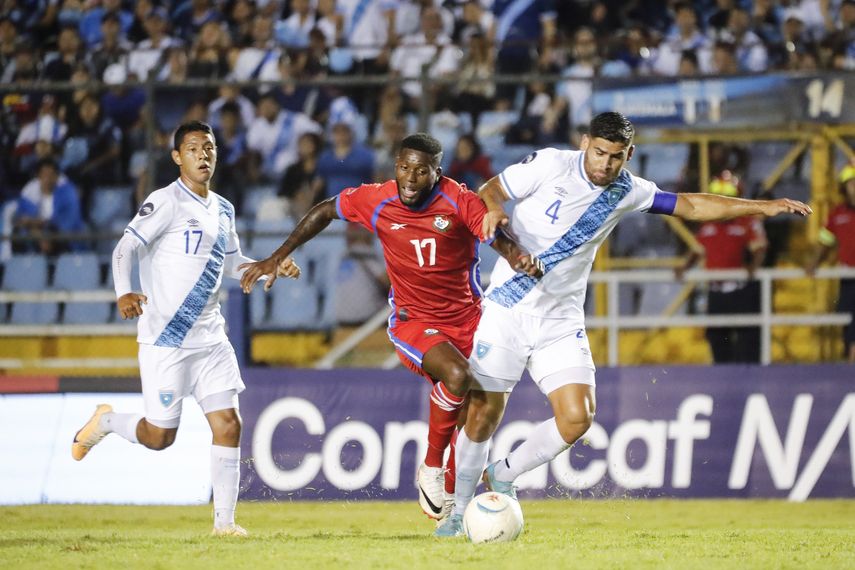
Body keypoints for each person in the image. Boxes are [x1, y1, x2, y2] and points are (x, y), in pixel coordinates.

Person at [436, 111, 812, 537]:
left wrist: (764, 206)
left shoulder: (626, 190)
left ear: (629, 155)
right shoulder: (548, 164)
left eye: (616, 157)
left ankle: (504, 474)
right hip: (508, 309)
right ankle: (457, 512)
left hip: (560, 320)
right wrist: (495, 211)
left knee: (578, 417)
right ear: (585, 144)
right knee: (483, 414)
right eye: (599, 152)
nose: (605, 165)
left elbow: (688, 204)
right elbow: (490, 189)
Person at [239, 133, 543, 523]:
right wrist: (277, 256)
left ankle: (453, 504)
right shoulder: (377, 198)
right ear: (395, 166)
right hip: (414, 323)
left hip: (470, 321)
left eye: (421, 170)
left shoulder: (457, 200)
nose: (411, 178)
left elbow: (490, 230)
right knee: (456, 375)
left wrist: (516, 255)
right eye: (404, 168)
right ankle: (432, 469)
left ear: (437, 172)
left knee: (477, 412)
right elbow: (325, 211)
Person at [70, 121, 300, 537]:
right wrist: (125, 292)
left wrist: (270, 267)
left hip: (211, 337)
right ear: (177, 157)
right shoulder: (165, 202)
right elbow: (125, 248)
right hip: (167, 340)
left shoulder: (225, 209)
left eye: (209, 147)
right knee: (159, 438)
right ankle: (105, 422)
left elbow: (232, 264)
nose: (203, 154)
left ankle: (225, 526)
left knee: (229, 423)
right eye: (193, 148)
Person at [679, 171, 768, 364]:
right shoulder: (707, 225)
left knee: (747, 343)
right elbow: (697, 251)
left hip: (741, 290)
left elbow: (759, 248)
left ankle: (749, 382)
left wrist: (753, 266)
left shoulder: (747, 221)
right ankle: (723, 381)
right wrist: (684, 267)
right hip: (716, 292)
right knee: (717, 340)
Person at [806, 164, 855, 362]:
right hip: (848, 281)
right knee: (849, 326)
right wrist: (814, 263)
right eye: (852, 184)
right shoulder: (837, 214)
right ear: (844, 187)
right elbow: (826, 242)